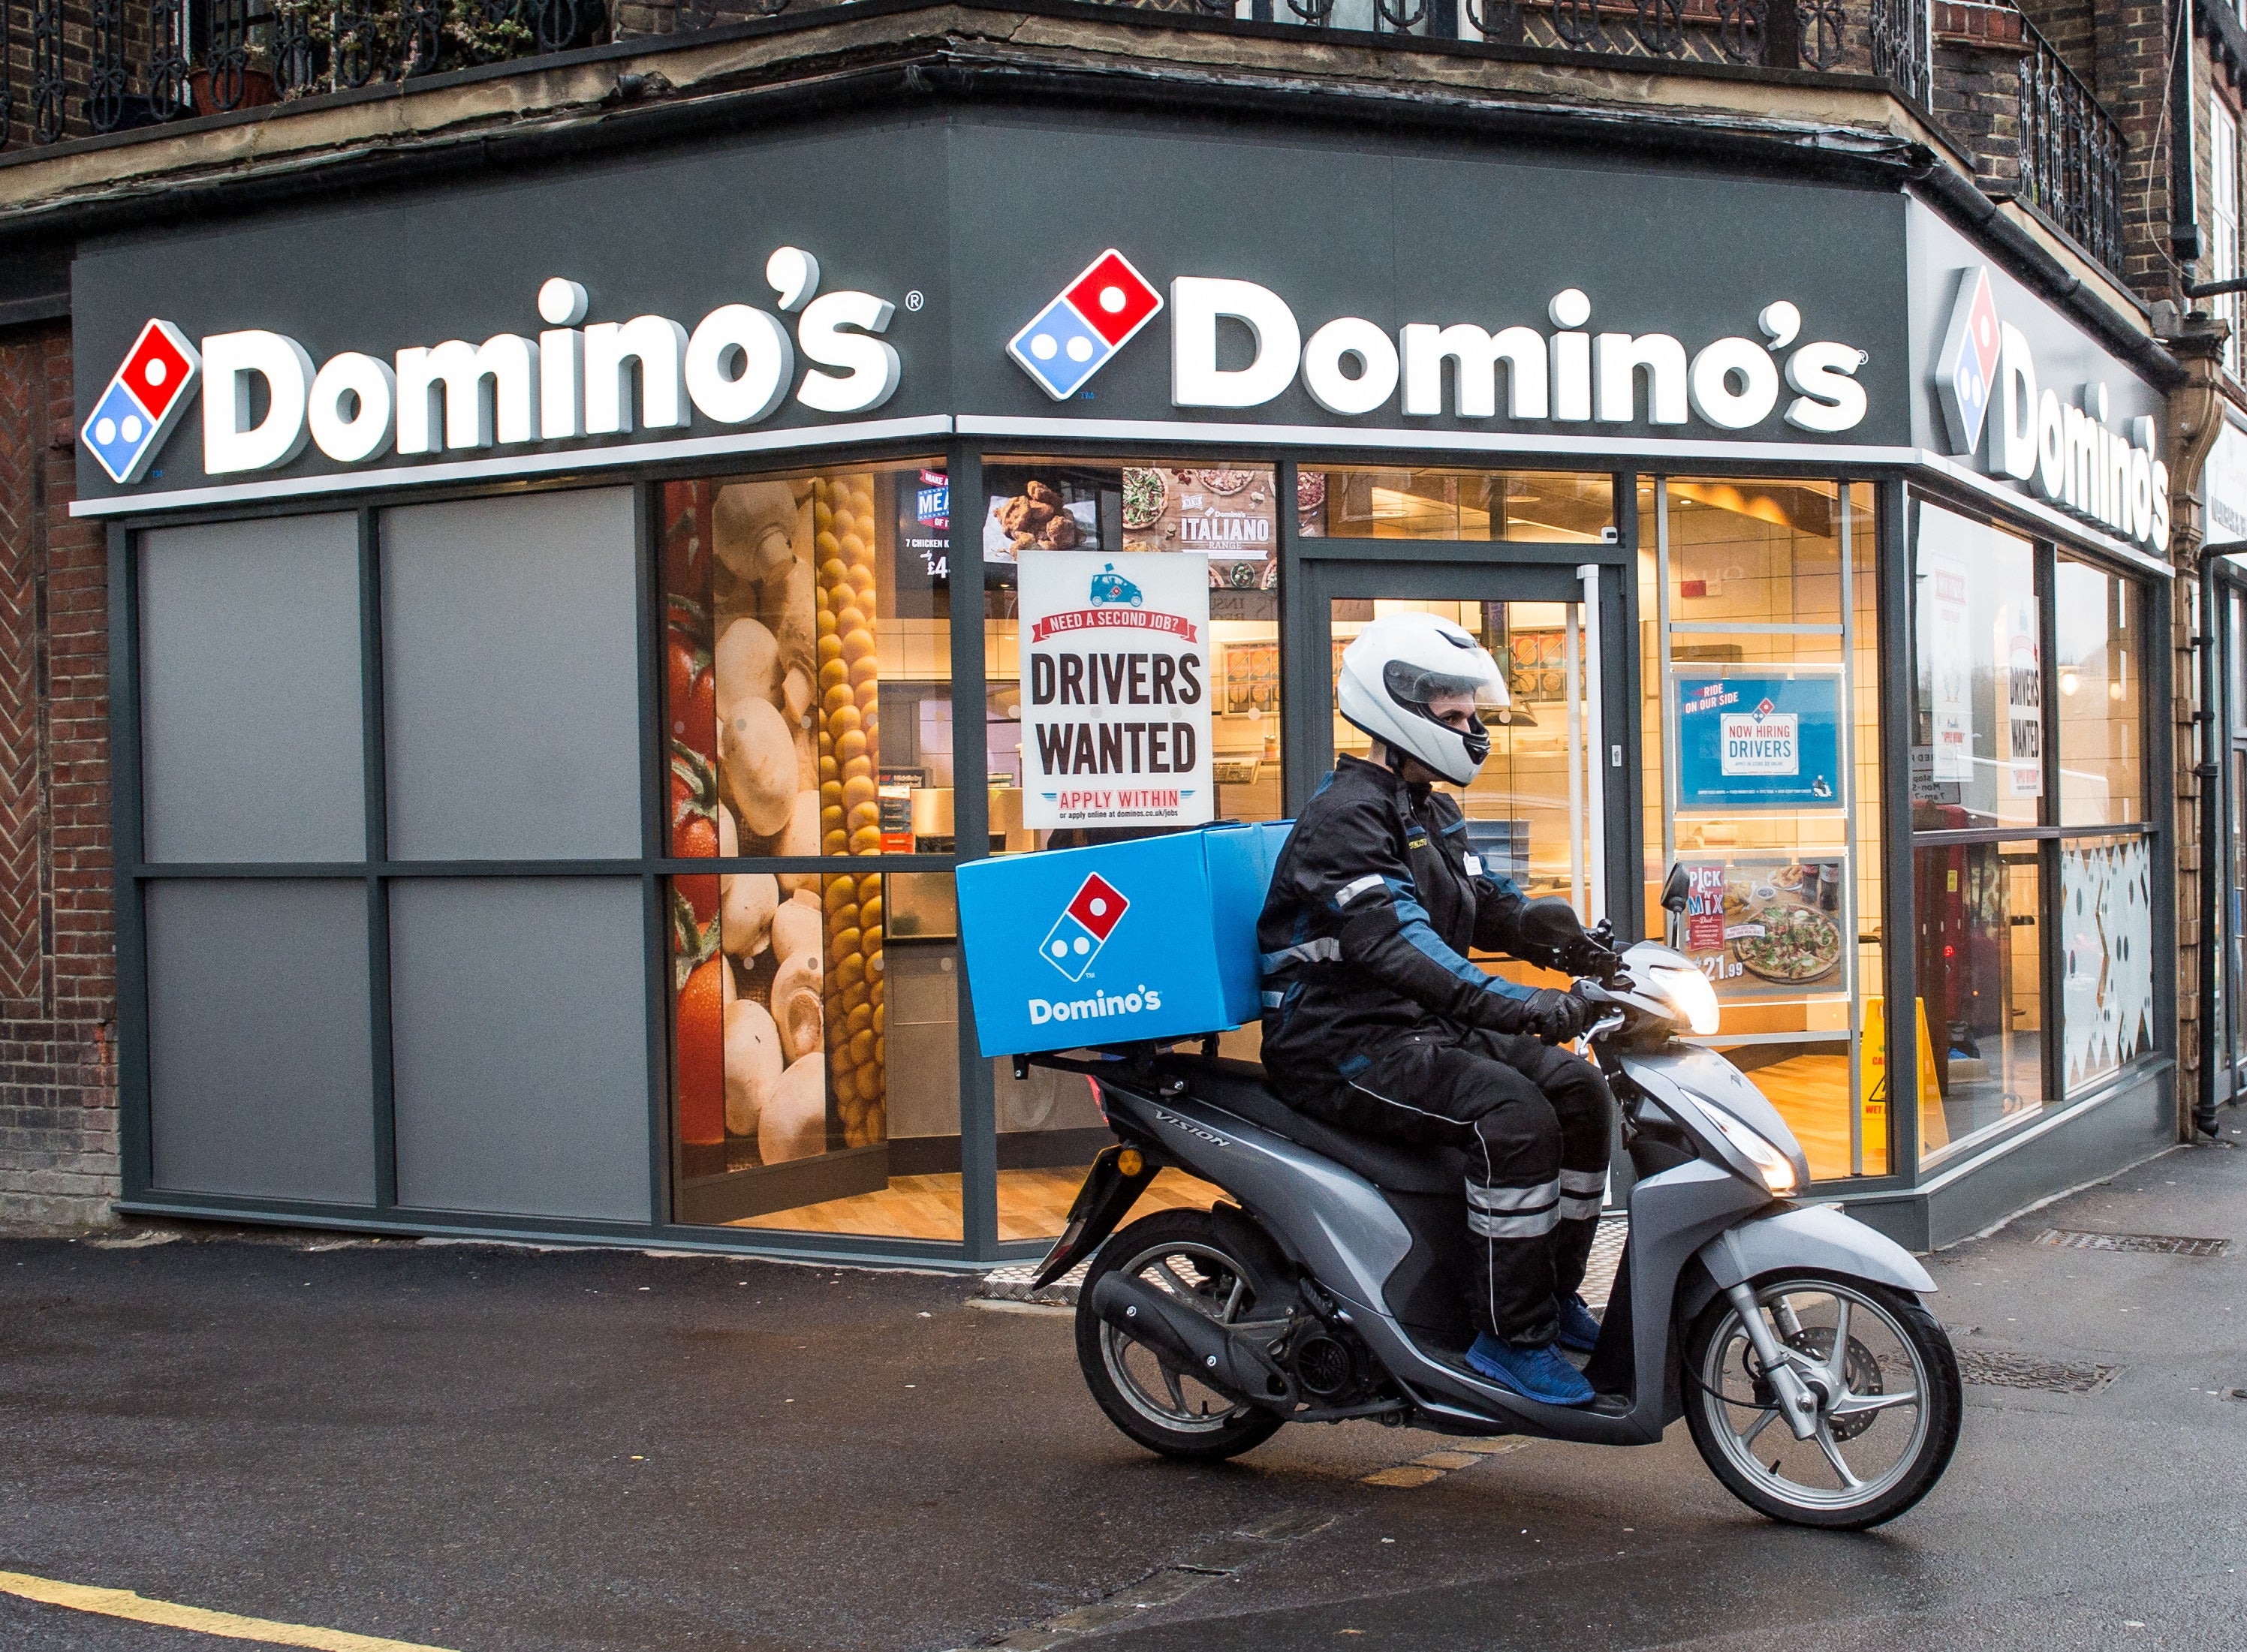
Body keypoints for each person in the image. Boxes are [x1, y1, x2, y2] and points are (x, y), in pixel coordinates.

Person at [1256, 611, 1616, 1407]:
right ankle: (1506, 1336)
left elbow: (1486, 905)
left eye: (1469, 712)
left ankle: (1550, 1297)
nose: (1471, 728)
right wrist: (1530, 1007)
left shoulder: (1428, 807)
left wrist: (1575, 951)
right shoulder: (1346, 817)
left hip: (1416, 1027)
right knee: (1512, 1114)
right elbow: (1400, 946)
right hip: (1341, 1041)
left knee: (1581, 1094)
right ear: (1397, 713)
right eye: (1452, 715)